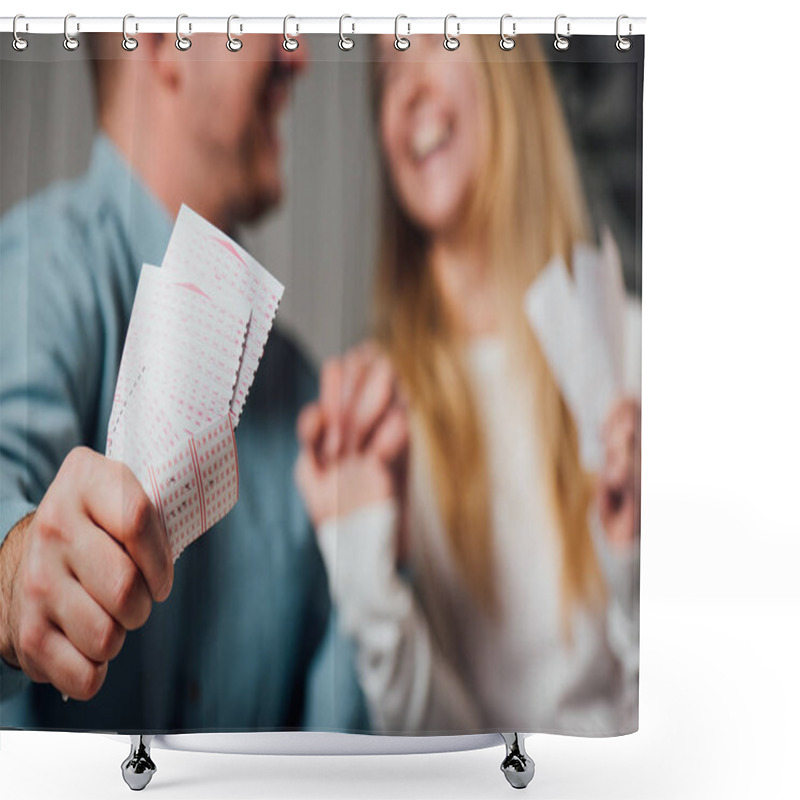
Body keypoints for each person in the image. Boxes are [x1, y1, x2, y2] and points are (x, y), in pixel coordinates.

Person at [0, 33, 368, 732]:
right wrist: (14, 575)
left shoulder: (306, 401)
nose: (301, 58)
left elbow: (334, 746)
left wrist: (375, 554)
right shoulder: (44, 274)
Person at [294, 35, 641, 735]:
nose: (410, 88)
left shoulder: (635, 350)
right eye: (387, 73)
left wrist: (633, 564)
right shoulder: (378, 417)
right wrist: (368, 584)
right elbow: (448, 750)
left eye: (438, 42)